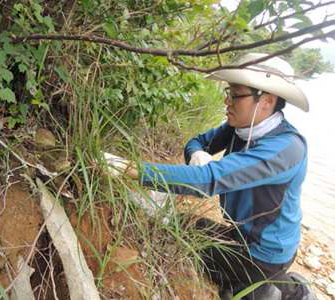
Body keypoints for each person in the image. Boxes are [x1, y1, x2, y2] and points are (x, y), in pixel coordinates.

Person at [104, 53, 316, 300]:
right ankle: (277, 284)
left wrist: (128, 169)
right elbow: (197, 142)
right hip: (241, 234)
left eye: (236, 95)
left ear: (266, 101)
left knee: (186, 240)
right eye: (229, 92)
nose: (227, 101)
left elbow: (208, 180)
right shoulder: (239, 128)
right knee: (186, 226)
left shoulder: (286, 148)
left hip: (264, 252)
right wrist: (197, 154)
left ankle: (286, 289)